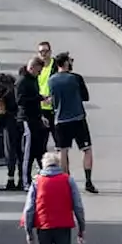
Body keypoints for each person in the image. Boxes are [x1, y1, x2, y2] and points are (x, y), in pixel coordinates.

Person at [46, 52, 97, 193]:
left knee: (62, 150)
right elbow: (85, 96)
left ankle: (65, 180)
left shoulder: (51, 80)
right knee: (87, 149)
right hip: (78, 118)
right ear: (66, 63)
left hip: (60, 120)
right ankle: (88, 181)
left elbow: (52, 100)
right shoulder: (76, 78)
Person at [16, 57, 48, 190]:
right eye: (38, 71)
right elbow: (20, 100)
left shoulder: (33, 80)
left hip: (36, 118)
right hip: (26, 119)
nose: (39, 74)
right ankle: (25, 181)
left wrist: (41, 115)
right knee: (28, 153)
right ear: (32, 68)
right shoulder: (22, 81)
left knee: (39, 149)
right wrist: (38, 98)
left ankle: (44, 176)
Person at [0, 71, 23, 191]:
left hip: (9, 123)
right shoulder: (15, 89)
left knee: (10, 151)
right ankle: (22, 179)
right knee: (21, 152)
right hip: (20, 121)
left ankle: (10, 179)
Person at [35, 41, 57, 128]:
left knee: (59, 138)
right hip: (40, 108)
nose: (43, 54)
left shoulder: (56, 66)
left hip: (53, 108)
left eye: (46, 51)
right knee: (40, 139)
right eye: (41, 52)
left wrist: (53, 97)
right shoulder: (34, 67)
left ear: (50, 52)